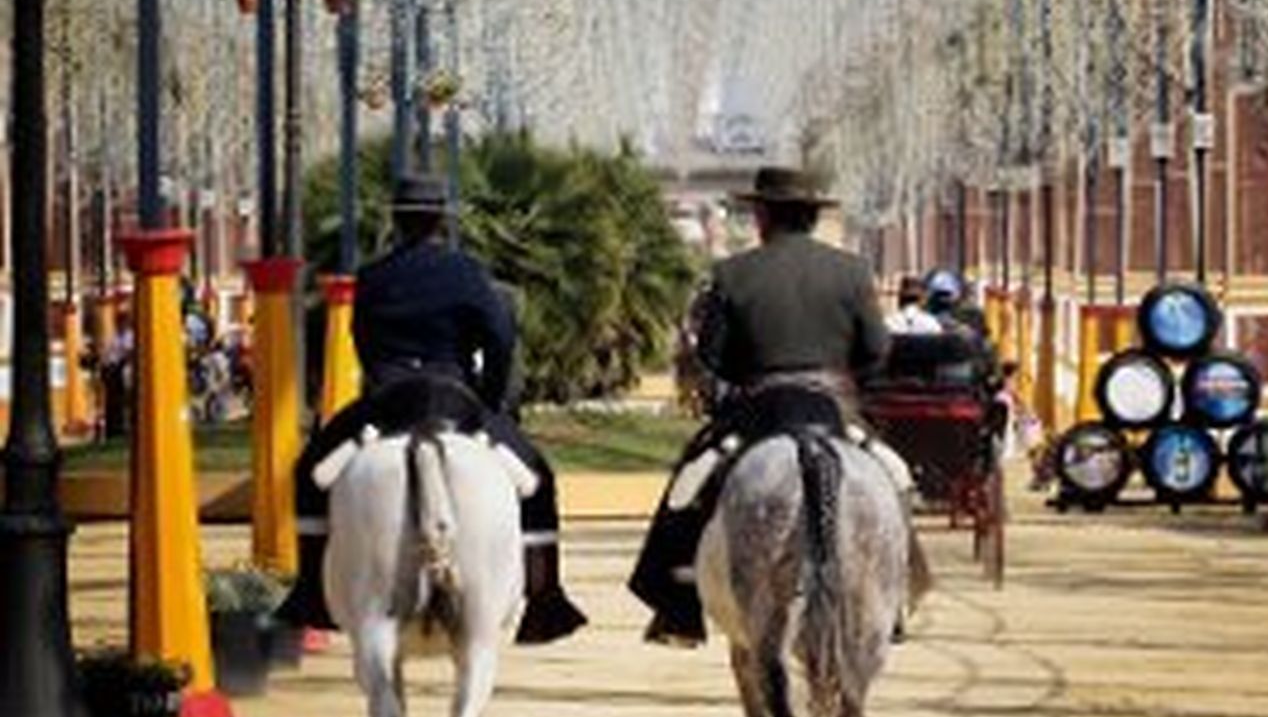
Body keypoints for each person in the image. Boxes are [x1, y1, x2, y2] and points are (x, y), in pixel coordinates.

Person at [276, 174, 586, 644]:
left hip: (387, 401)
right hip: (455, 397)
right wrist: (490, 401)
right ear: (442, 219)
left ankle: (310, 593)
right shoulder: (468, 273)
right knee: (538, 479)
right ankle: (546, 598)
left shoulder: (374, 276)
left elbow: (363, 340)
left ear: (397, 223)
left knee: (308, 472)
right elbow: (500, 338)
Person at [628, 166, 896, 646]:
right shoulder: (852, 271)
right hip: (833, 407)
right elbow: (877, 348)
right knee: (894, 480)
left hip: (758, 407)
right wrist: (843, 376)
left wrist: (749, 373)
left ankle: (678, 603)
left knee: (688, 487)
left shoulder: (732, 273)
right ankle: (891, 599)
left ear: (763, 216)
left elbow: (712, 354)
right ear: (813, 217)